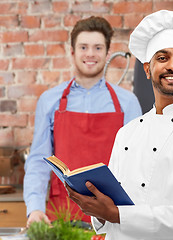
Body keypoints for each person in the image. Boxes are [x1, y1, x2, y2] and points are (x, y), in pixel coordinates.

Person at [65, 10, 173, 240]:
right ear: (147, 69)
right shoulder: (128, 133)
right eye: (162, 58)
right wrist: (98, 210)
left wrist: (116, 214)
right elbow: (110, 213)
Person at [23, 16, 142, 227]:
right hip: (62, 216)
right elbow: (38, 161)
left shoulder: (127, 103)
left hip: (112, 218)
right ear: (72, 52)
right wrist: (34, 208)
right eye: (83, 47)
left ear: (106, 53)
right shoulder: (49, 101)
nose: (90, 54)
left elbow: (137, 164)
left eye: (97, 47)